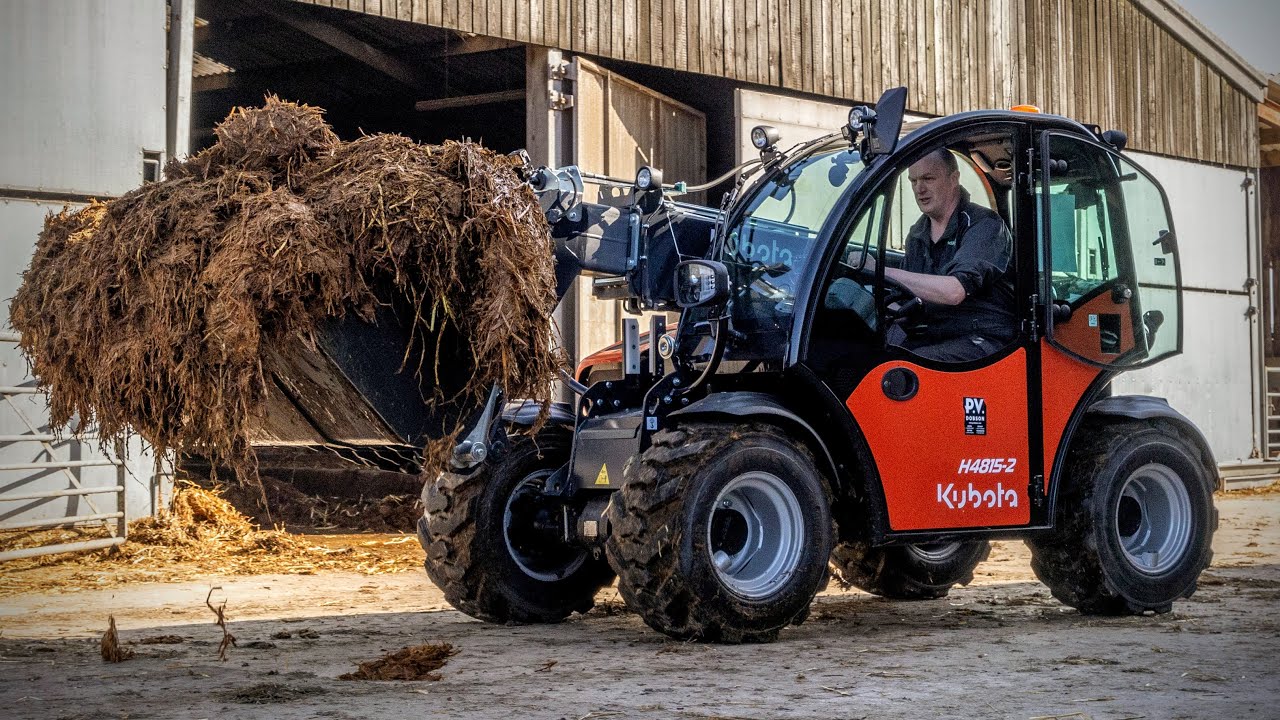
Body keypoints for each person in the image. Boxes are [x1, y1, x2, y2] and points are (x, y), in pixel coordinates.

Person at [861, 149, 1017, 362]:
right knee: (870, 354)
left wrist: (880, 271)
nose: (919, 189)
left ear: (954, 179)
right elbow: (909, 297)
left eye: (928, 178)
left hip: (984, 340)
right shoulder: (918, 233)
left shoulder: (984, 225)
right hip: (937, 333)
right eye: (913, 181)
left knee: (907, 365)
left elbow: (953, 292)